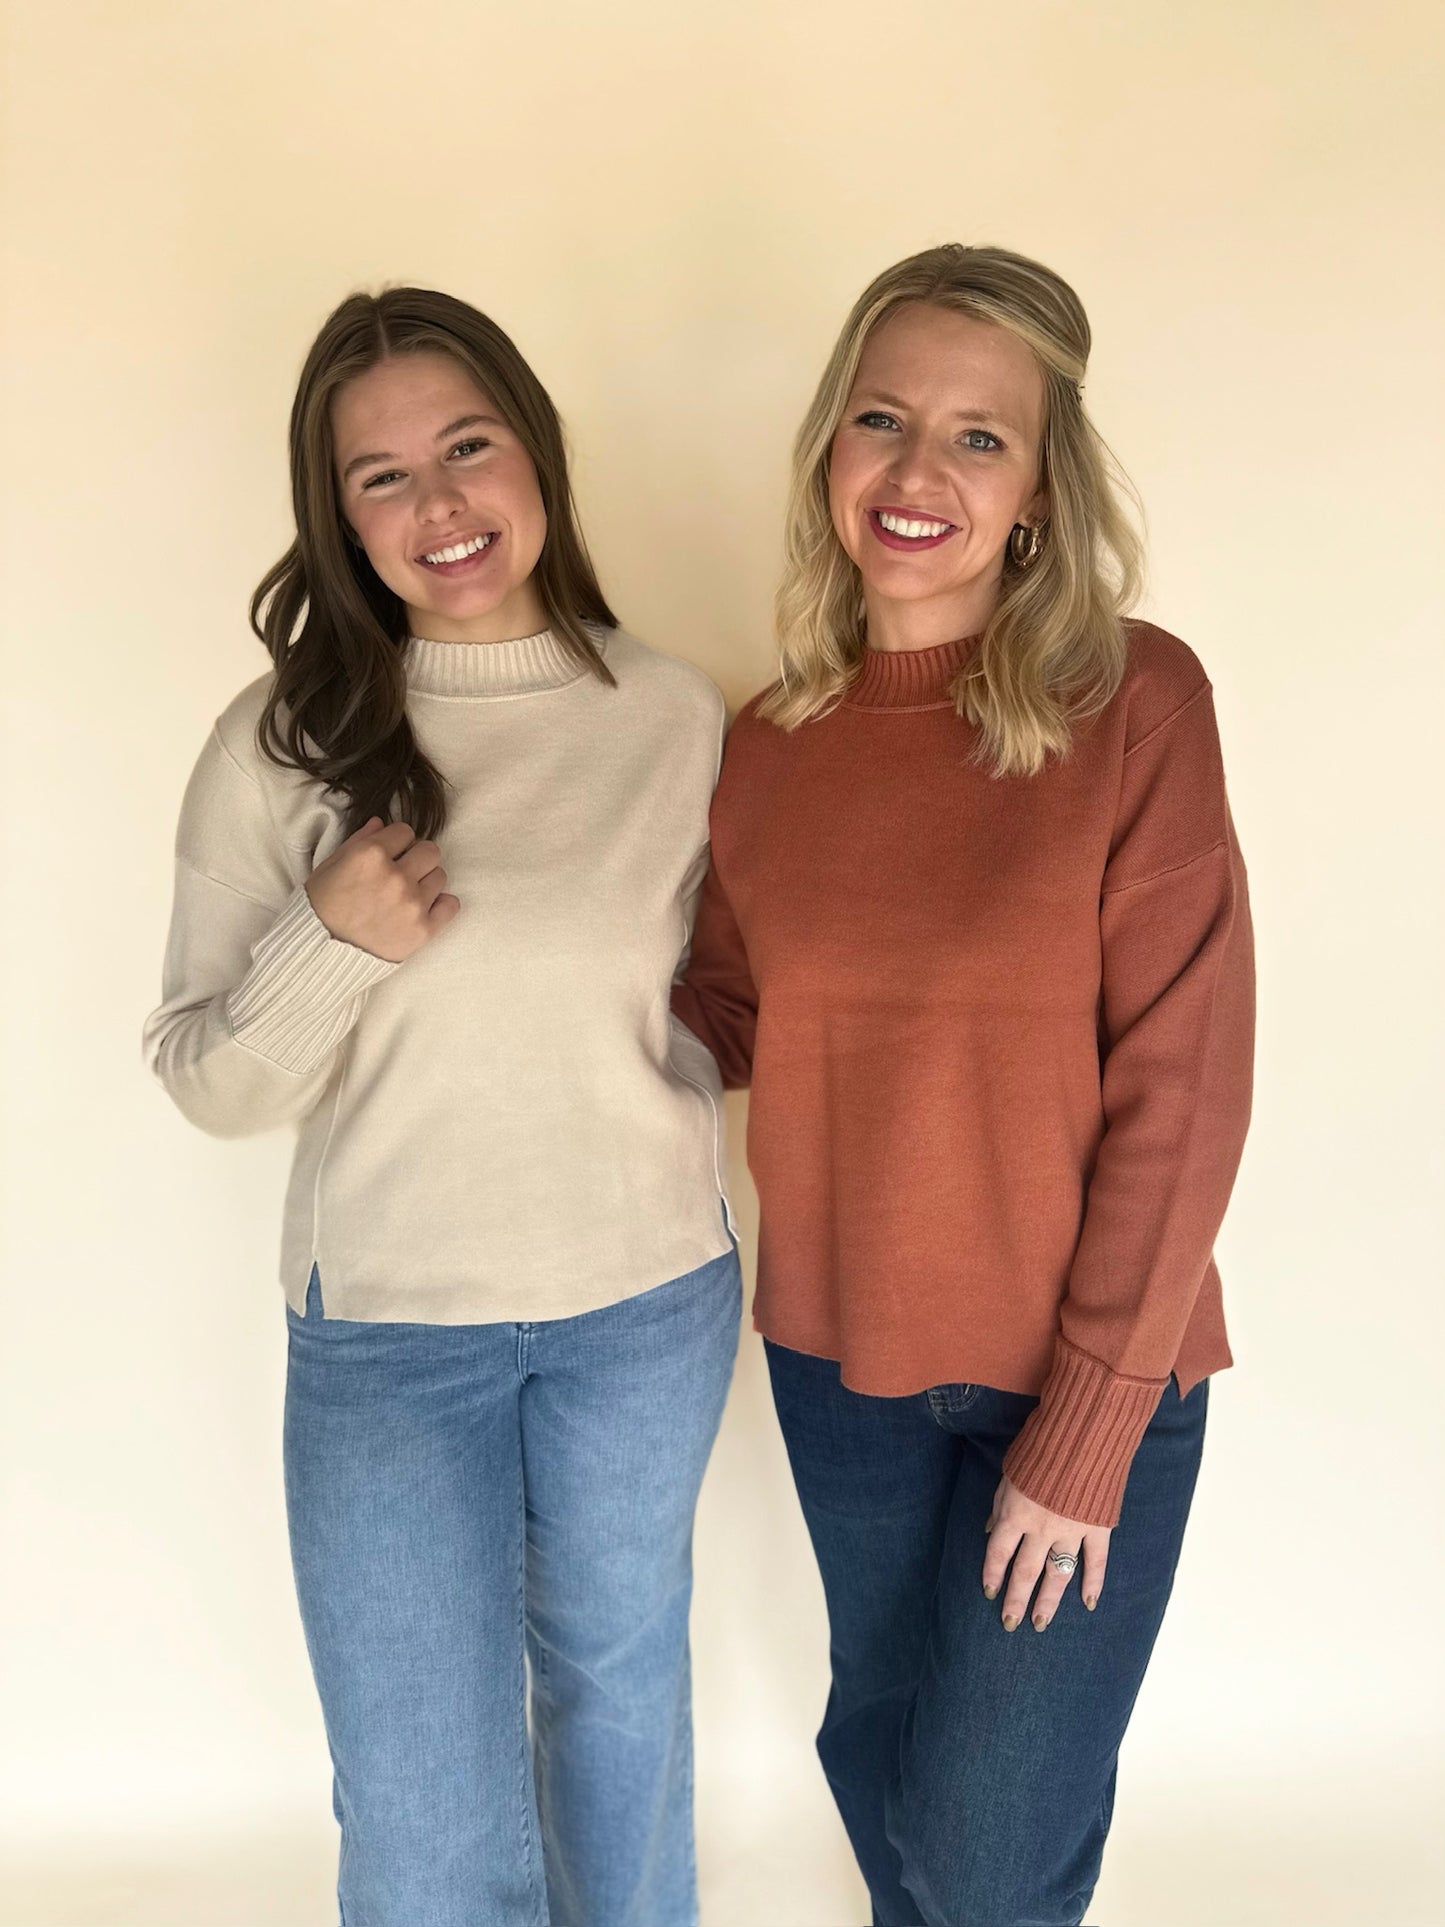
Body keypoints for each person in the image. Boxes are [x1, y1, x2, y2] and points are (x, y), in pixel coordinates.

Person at [672, 244, 1254, 1927]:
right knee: (883, 1761)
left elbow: (1187, 1084)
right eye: (881, 419)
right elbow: (719, 1016)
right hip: (836, 1368)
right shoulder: (769, 745)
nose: (918, 473)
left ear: (1038, 490)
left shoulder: (1133, 701)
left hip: (1082, 1378)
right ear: (827, 455)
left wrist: (1083, 1431)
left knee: (988, 1847)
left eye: (978, 437)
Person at [144, 287, 739, 1927]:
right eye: (379, 476)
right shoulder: (282, 747)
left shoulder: (673, 717)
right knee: (420, 1811)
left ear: (535, 457)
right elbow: (206, 1077)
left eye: (467, 446)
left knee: (623, 1728)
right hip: (395, 1339)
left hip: (647, 1308)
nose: (438, 504)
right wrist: (325, 944)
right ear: (335, 518)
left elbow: (731, 996)